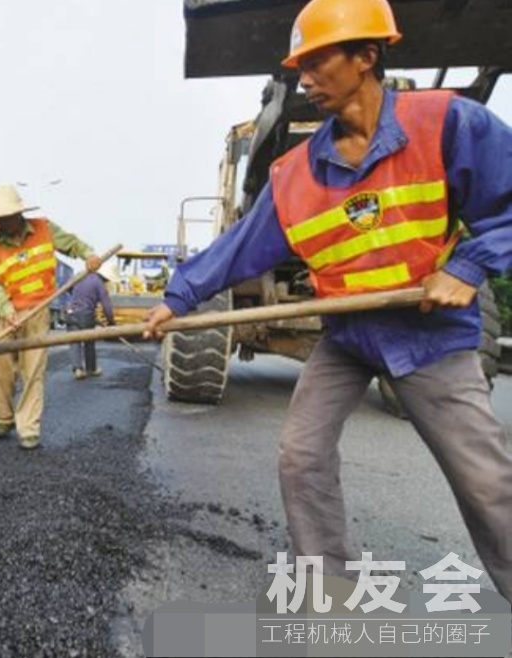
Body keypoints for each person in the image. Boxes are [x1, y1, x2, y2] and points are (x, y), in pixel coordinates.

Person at [144, 0, 512, 600]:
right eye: (299, 68)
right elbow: (239, 246)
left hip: (430, 337)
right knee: (301, 456)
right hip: (344, 337)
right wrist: (178, 298)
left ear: (367, 56)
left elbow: (506, 203)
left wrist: (469, 266)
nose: (304, 79)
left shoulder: (446, 123)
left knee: (485, 480)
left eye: (316, 62)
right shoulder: (295, 174)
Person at [0, 184, 101, 450]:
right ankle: (3, 418)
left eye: (7, 216)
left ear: (18, 214)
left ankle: (28, 428)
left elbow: (72, 243)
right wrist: (7, 311)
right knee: (2, 370)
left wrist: (89, 254)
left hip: (37, 311)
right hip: (6, 312)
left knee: (32, 370)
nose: (2, 221)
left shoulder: (44, 229)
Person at [65, 261, 116, 379]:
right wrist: (111, 321)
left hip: (71, 312)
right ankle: (91, 368)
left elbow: (67, 288)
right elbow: (106, 304)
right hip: (86, 314)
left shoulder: (79, 275)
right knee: (89, 341)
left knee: (74, 341)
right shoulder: (98, 283)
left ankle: (77, 369)